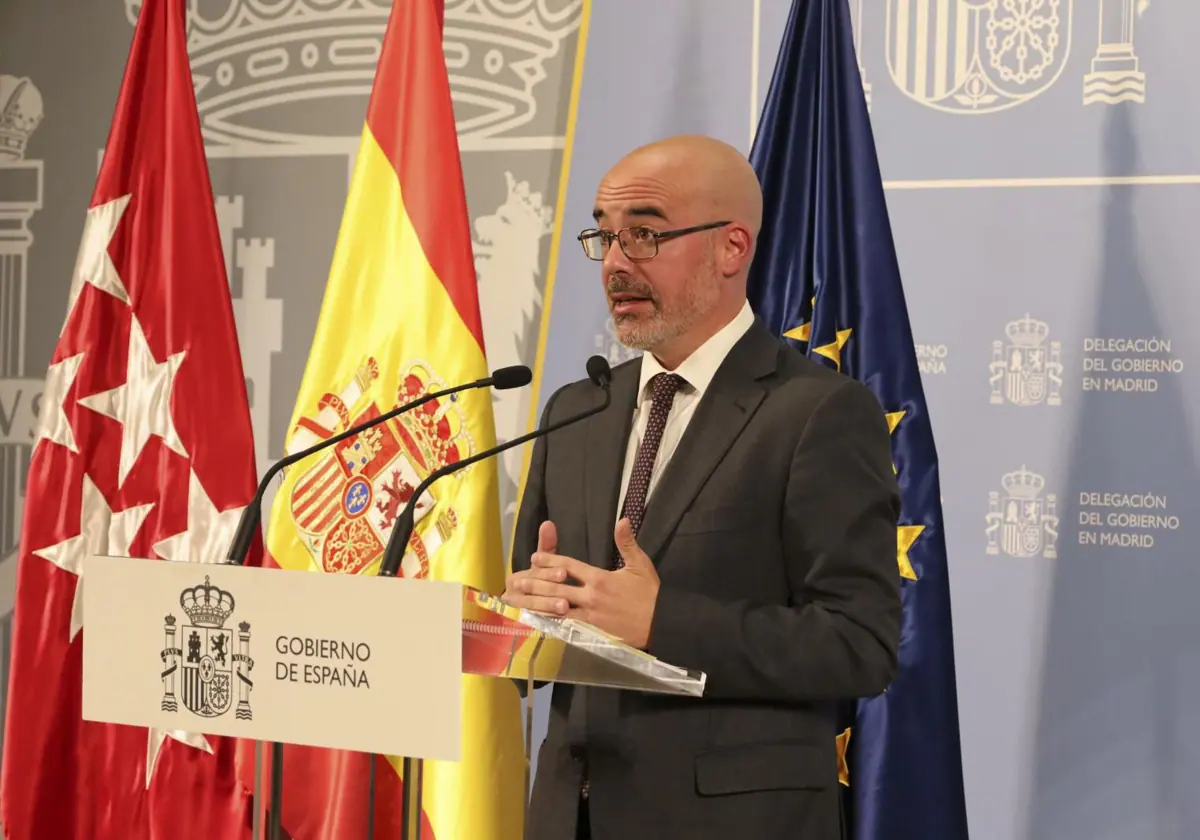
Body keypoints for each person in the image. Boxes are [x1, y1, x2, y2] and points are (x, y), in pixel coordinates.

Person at [501, 134, 902, 840]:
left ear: (731, 248)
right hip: (571, 814)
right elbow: (543, 625)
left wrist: (664, 622)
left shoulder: (817, 413)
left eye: (645, 235)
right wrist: (523, 620)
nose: (617, 263)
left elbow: (858, 644)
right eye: (605, 235)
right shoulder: (577, 408)